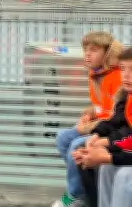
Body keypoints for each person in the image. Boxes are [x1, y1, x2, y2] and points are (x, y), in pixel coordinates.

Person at [52, 32, 123, 207]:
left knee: (75, 146)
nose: (87, 54)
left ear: (107, 53)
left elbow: (115, 115)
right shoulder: (95, 74)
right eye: (85, 50)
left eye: (94, 50)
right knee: (62, 138)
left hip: (112, 129)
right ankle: (83, 187)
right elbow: (100, 106)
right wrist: (89, 112)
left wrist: (87, 127)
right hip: (99, 123)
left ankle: (76, 195)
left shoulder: (118, 77)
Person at [74, 46, 132, 207]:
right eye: (122, 69)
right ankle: (86, 199)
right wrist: (97, 135)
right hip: (122, 141)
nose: (126, 75)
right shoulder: (126, 94)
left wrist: (107, 153)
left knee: (123, 174)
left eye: (93, 50)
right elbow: (117, 121)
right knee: (84, 153)